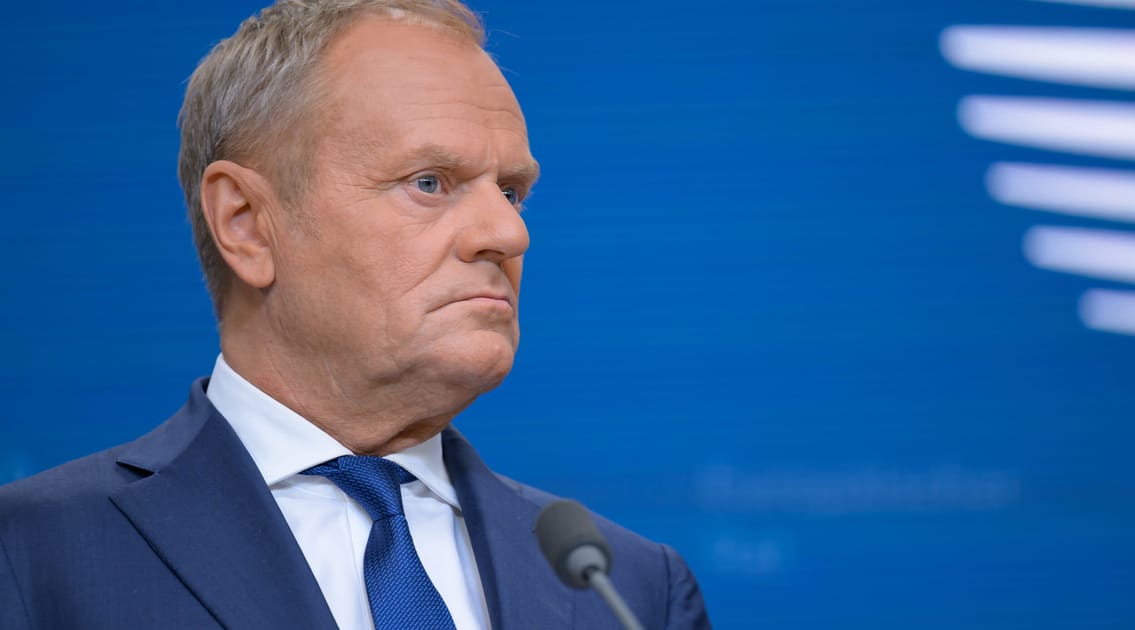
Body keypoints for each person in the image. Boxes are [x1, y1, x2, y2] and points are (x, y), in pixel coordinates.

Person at [0, 1, 710, 628]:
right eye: (430, 182)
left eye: (512, 192)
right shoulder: (30, 555)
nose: (509, 233)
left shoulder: (631, 589)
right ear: (246, 223)